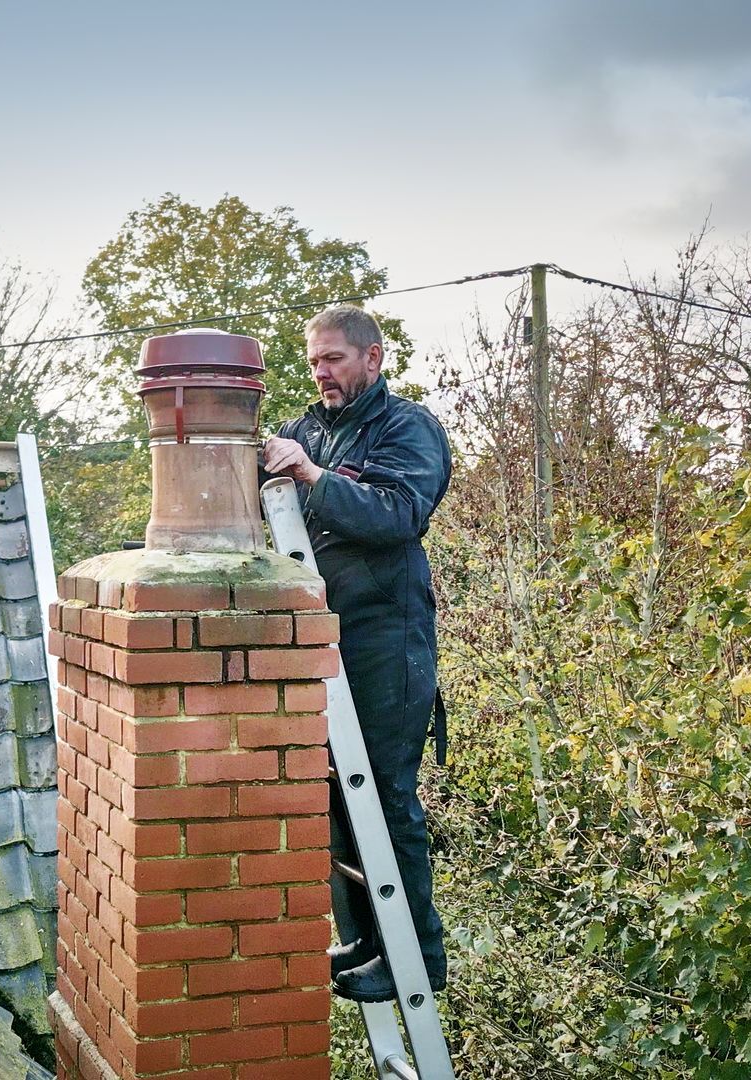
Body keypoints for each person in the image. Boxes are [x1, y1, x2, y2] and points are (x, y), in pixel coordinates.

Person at [260, 304, 450, 1003]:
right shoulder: (303, 429)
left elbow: (398, 515)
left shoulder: (407, 428)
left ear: (372, 359)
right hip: (324, 638)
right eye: (313, 360)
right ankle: (371, 939)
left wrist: (311, 476)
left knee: (389, 796)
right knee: (341, 797)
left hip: (387, 640)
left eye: (333, 358)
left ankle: (417, 961)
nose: (320, 372)